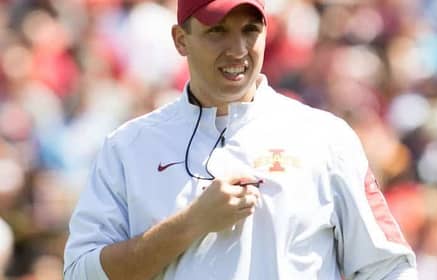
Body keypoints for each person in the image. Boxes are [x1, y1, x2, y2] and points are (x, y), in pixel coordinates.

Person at [63, 0, 418, 279]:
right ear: (180, 40)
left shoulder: (325, 138)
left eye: (250, 30)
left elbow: (388, 267)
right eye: (217, 31)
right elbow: (82, 273)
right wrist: (192, 224)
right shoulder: (128, 146)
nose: (238, 49)